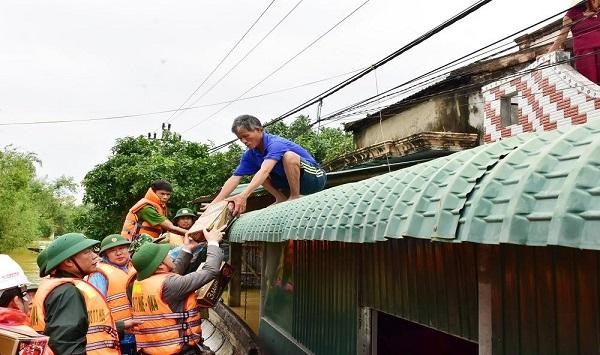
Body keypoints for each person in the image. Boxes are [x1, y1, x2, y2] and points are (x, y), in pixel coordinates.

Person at [30, 232, 138, 354]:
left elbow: (79, 330)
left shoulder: (57, 287)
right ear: (69, 262)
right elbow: (66, 347)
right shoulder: (67, 292)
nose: (95, 256)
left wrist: (120, 326)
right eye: (87, 252)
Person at [131, 226, 225, 355]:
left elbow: (173, 273)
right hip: (180, 351)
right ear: (159, 265)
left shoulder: (140, 284)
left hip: (152, 351)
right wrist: (213, 243)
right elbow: (210, 271)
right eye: (166, 256)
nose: (170, 256)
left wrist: (187, 249)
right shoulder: (171, 285)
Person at [211, 115, 326, 216]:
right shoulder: (250, 154)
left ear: (259, 130)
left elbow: (265, 170)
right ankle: (280, 198)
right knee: (256, 175)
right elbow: (235, 178)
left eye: (246, 136)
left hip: (314, 178)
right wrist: (215, 203)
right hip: (288, 182)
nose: (244, 141)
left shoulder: (275, 144)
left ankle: (294, 196)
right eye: (240, 138)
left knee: (289, 157)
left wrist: (243, 195)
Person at [87, 234, 137, 354]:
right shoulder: (99, 275)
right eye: (112, 251)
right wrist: (119, 327)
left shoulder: (135, 267)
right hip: (118, 336)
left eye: (121, 248)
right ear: (105, 255)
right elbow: (96, 311)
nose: (119, 253)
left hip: (140, 334)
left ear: (128, 249)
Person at [550, 0, 600, 83]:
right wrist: (548, 53)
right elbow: (562, 36)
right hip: (584, 55)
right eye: (594, 0)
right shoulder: (571, 14)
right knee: (590, 84)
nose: (597, 3)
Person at [122, 179, 189, 241]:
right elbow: (170, 228)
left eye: (168, 194)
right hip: (133, 244)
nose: (165, 197)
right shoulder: (147, 208)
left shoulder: (160, 207)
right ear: (154, 192)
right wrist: (191, 234)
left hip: (146, 242)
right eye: (162, 194)